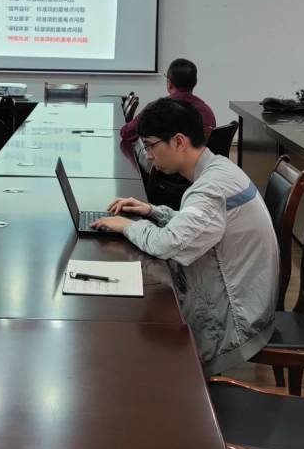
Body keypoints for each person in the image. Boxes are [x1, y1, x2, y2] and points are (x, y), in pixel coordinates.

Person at [91, 98, 278, 375]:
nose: (148, 155)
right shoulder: (220, 168)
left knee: (133, 338)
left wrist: (126, 226)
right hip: (242, 301)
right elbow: (200, 226)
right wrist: (152, 211)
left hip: (234, 323)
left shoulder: (210, 189)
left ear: (179, 141)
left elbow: (169, 244)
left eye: (150, 145)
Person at [119, 58, 217, 143]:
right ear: (195, 83)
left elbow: (126, 133)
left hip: (163, 159)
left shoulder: (154, 109)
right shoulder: (207, 112)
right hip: (198, 159)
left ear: (169, 83)